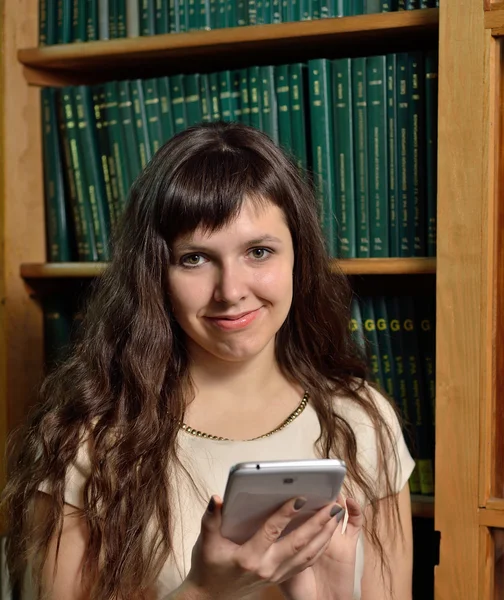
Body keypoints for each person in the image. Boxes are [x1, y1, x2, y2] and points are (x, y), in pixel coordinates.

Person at [3, 122, 415, 600]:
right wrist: (205, 590)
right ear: (154, 273)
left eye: (259, 252)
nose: (232, 291)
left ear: (298, 258)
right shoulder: (87, 441)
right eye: (195, 258)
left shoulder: (362, 420)